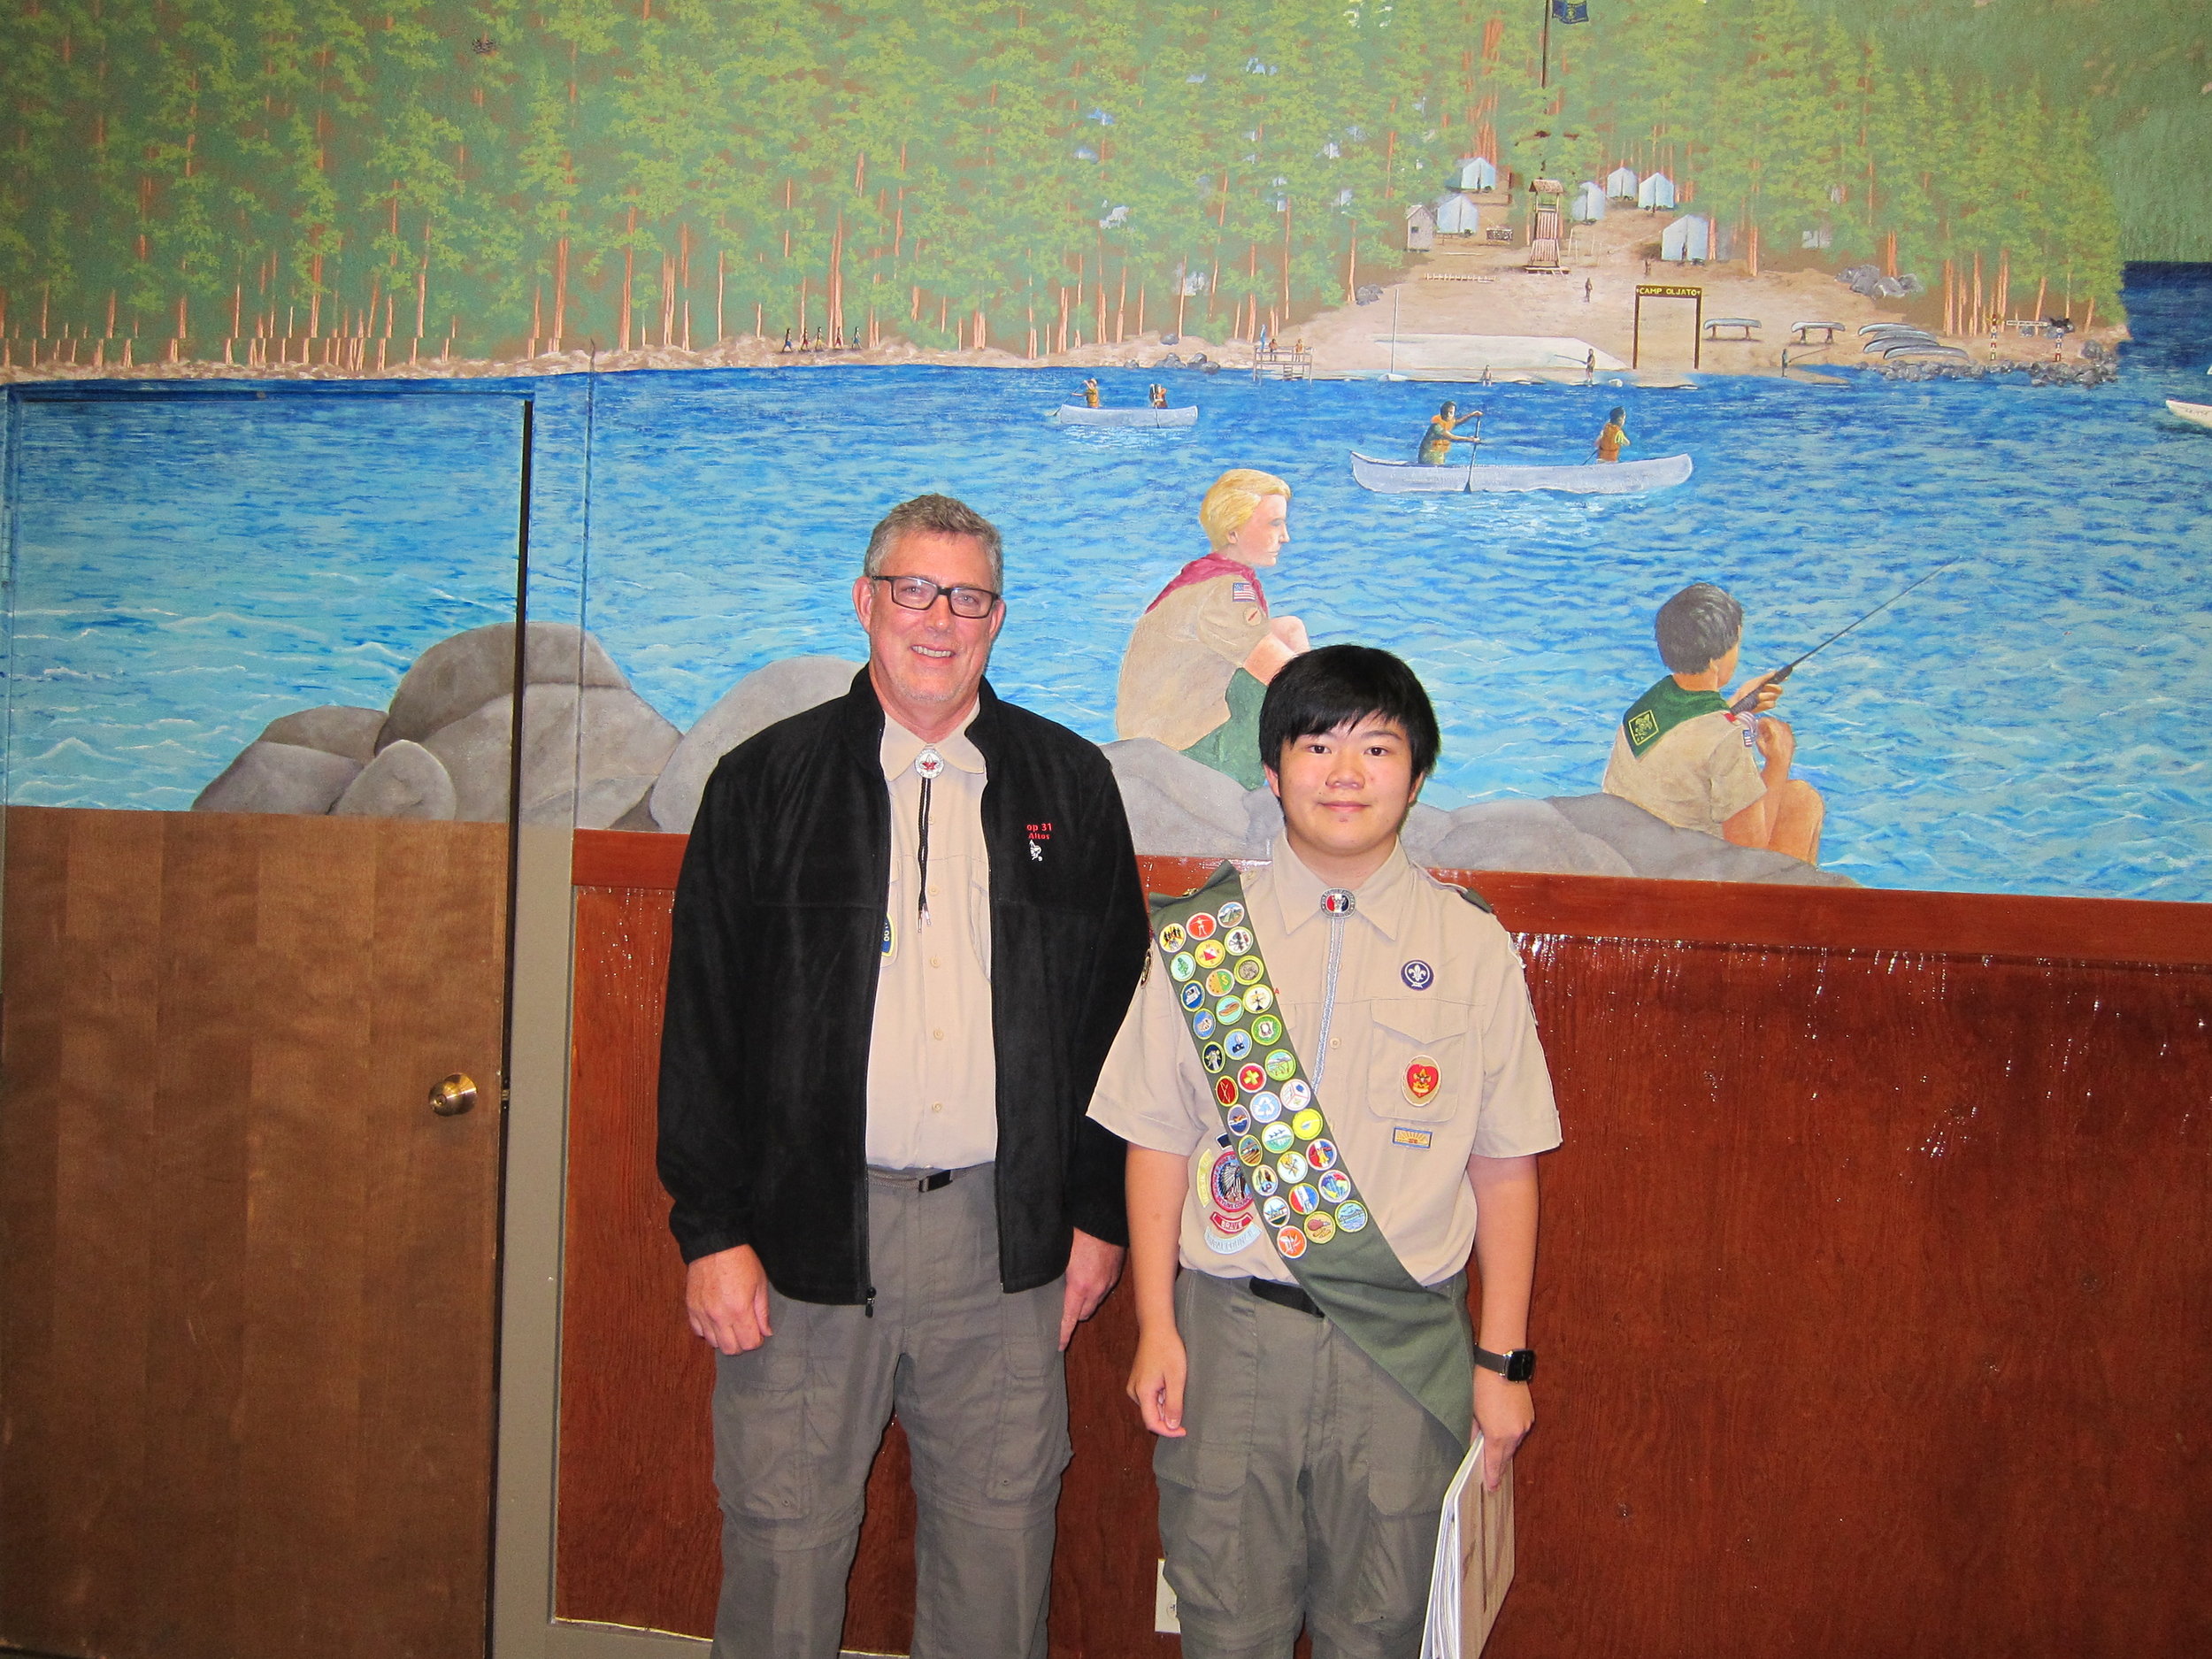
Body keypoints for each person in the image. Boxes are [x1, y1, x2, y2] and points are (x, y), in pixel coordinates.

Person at [657, 493, 1151, 1659]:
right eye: (915, 590)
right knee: (783, 1555)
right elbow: (704, 1022)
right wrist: (710, 1230)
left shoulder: (1067, 784)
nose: (940, 619)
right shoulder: (764, 782)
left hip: (1004, 1240)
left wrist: (1094, 1214)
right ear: (865, 600)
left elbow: (1118, 1019)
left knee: (998, 1559)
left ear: (998, 616)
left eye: (967, 596)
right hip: (802, 1239)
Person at [1091, 644, 1562, 1659]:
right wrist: (1155, 1326)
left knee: (1379, 1629)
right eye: (1316, 745)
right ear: (1272, 770)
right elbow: (1157, 1141)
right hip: (1230, 1339)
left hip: (1402, 1351)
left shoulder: (1472, 944)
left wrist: (1503, 1361)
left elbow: (1506, 1165)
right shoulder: (1203, 939)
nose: (1344, 774)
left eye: (1377, 748)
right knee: (1224, 1624)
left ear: (1418, 773)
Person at [1601, 581, 1824, 864]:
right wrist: (1779, 761)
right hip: (1695, 873)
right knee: (1804, 802)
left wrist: (1735, 704)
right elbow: (1751, 845)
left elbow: (1689, 738)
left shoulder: (1645, 707)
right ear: (1719, 658)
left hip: (1645, 853)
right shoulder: (1726, 739)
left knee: (1795, 797)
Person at [1114, 469, 1310, 790]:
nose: (1285, 536)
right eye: (1275, 524)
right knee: (1285, 681)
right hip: (1187, 754)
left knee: (1288, 629)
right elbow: (1280, 673)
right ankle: (1284, 776)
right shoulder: (1225, 591)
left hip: (1160, 734)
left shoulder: (1203, 579)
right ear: (1233, 532)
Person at [1416, 400, 1479, 466]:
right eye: (1445, 412)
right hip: (1428, 459)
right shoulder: (1436, 426)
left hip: (1438, 458)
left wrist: (1472, 415)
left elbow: (1459, 421)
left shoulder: (1448, 422)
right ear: (1441, 412)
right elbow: (1452, 438)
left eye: (1451, 413)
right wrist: (1471, 439)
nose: (1448, 415)